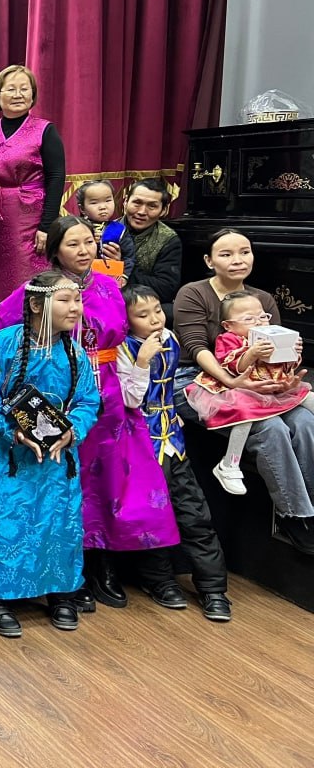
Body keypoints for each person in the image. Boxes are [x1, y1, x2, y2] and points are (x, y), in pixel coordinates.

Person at [0, 215, 180, 610]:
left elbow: (127, 334)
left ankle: (104, 568)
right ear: (55, 251)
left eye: (88, 242)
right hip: (53, 391)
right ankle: (65, 576)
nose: (84, 251)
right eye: (73, 244)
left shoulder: (109, 286)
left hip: (107, 392)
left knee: (113, 486)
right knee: (67, 487)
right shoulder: (36, 290)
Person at [0, 272, 101, 637]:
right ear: (37, 305)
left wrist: (72, 431)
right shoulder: (4, 344)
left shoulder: (75, 353)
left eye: (78, 300)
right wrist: (12, 432)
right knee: (3, 523)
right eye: (65, 300)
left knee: (58, 524)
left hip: (56, 460)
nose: (75, 308)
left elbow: (88, 401)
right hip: (7, 459)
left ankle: (60, 592)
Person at [173, 228, 314, 555]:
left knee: (306, 422)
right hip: (199, 379)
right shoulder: (193, 293)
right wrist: (234, 380)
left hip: (256, 378)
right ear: (209, 260)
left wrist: (284, 376)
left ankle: (311, 504)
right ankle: (293, 514)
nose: (238, 260)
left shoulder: (263, 299)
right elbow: (196, 348)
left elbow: (275, 349)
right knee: (271, 427)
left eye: (245, 252)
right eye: (226, 254)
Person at [118, 285, 232, 622]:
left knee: (194, 513)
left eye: (157, 310)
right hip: (142, 443)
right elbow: (129, 400)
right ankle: (160, 581)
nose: (155, 319)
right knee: (152, 515)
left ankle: (213, 588)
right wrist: (142, 361)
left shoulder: (170, 338)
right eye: (142, 315)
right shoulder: (124, 348)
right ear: (127, 321)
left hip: (173, 438)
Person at [184, 290, 314, 496]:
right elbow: (233, 365)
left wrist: (293, 352)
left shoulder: (271, 335)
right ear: (228, 325)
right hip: (241, 387)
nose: (259, 322)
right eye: (249, 319)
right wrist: (251, 353)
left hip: (273, 385)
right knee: (246, 413)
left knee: (309, 397)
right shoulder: (228, 339)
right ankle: (229, 463)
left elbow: (285, 365)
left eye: (262, 316)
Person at [0, 65, 65, 304]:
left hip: (31, 218)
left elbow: (56, 177)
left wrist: (47, 226)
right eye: (11, 89)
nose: (18, 94)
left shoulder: (45, 130)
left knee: (29, 284)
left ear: (33, 95)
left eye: (24, 89)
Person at [122, 178, 182, 312]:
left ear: (164, 210)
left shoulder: (168, 239)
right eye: (137, 203)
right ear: (125, 202)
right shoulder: (105, 231)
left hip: (142, 305)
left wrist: (122, 267)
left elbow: (165, 289)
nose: (142, 212)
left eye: (152, 206)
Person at [76, 180, 136, 285]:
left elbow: (129, 256)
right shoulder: (77, 228)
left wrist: (124, 276)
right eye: (94, 202)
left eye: (108, 200)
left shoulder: (120, 230)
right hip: (79, 280)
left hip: (110, 281)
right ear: (82, 208)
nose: (103, 207)